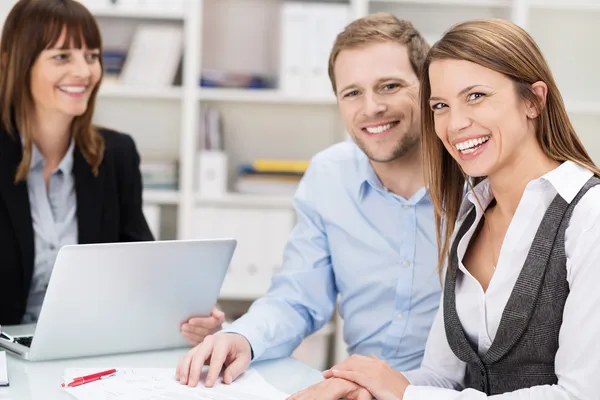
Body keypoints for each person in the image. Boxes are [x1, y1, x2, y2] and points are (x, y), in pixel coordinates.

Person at [294, 18, 600, 400]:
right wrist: (362, 387)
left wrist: (406, 395)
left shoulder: (589, 218)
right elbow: (443, 377)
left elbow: (581, 395)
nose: (455, 124)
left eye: (476, 96)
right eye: (440, 105)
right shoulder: (470, 214)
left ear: (534, 100)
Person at [176, 13, 442, 390]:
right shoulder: (329, 175)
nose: (371, 108)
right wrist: (243, 338)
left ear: (427, 88)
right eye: (352, 93)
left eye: (389, 86)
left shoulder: (473, 178)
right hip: (353, 387)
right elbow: (299, 297)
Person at [0, 0, 223, 339]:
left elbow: (143, 271)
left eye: (92, 56)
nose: (85, 71)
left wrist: (190, 315)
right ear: (14, 63)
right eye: (62, 56)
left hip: (87, 350)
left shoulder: (115, 155)